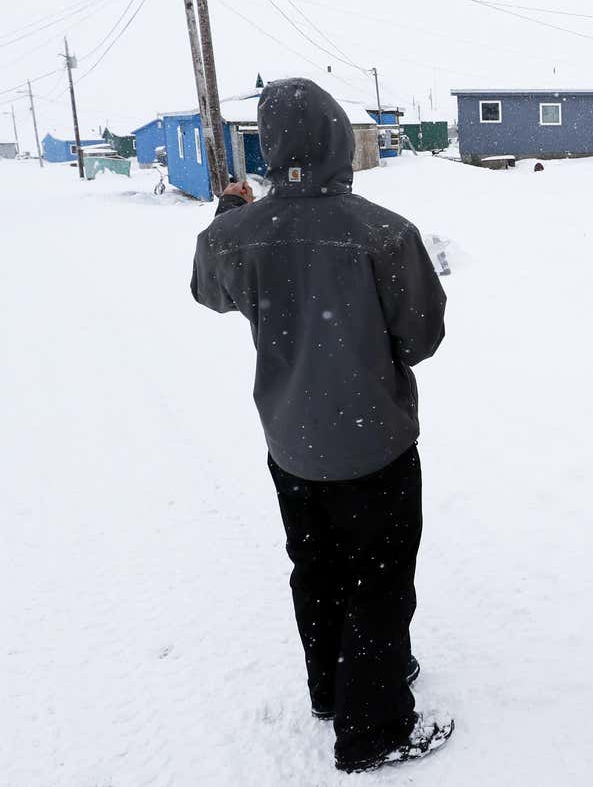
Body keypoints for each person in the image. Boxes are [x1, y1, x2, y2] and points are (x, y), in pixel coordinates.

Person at [190, 78, 453, 774]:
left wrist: (228, 215)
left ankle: (331, 688)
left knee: (316, 566)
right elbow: (422, 336)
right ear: (340, 139)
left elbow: (206, 286)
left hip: (291, 444)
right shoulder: (383, 232)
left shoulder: (237, 236)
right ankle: (375, 728)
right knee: (380, 580)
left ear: (272, 150)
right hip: (376, 444)